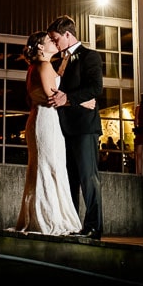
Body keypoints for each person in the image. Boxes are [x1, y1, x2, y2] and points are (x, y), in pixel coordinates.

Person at [13, 31, 84, 236]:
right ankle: (50, 218)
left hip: (39, 118)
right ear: (41, 48)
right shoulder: (43, 66)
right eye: (49, 41)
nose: (53, 42)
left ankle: (43, 215)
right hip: (46, 119)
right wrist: (80, 101)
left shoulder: (36, 67)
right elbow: (51, 95)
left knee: (46, 166)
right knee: (50, 165)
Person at [47, 14, 104, 240]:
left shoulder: (89, 56)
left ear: (68, 35)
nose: (54, 43)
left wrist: (70, 98)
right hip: (64, 128)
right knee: (69, 178)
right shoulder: (57, 61)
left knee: (88, 178)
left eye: (56, 39)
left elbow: (96, 88)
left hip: (84, 127)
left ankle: (94, 227)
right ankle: (72, 222)